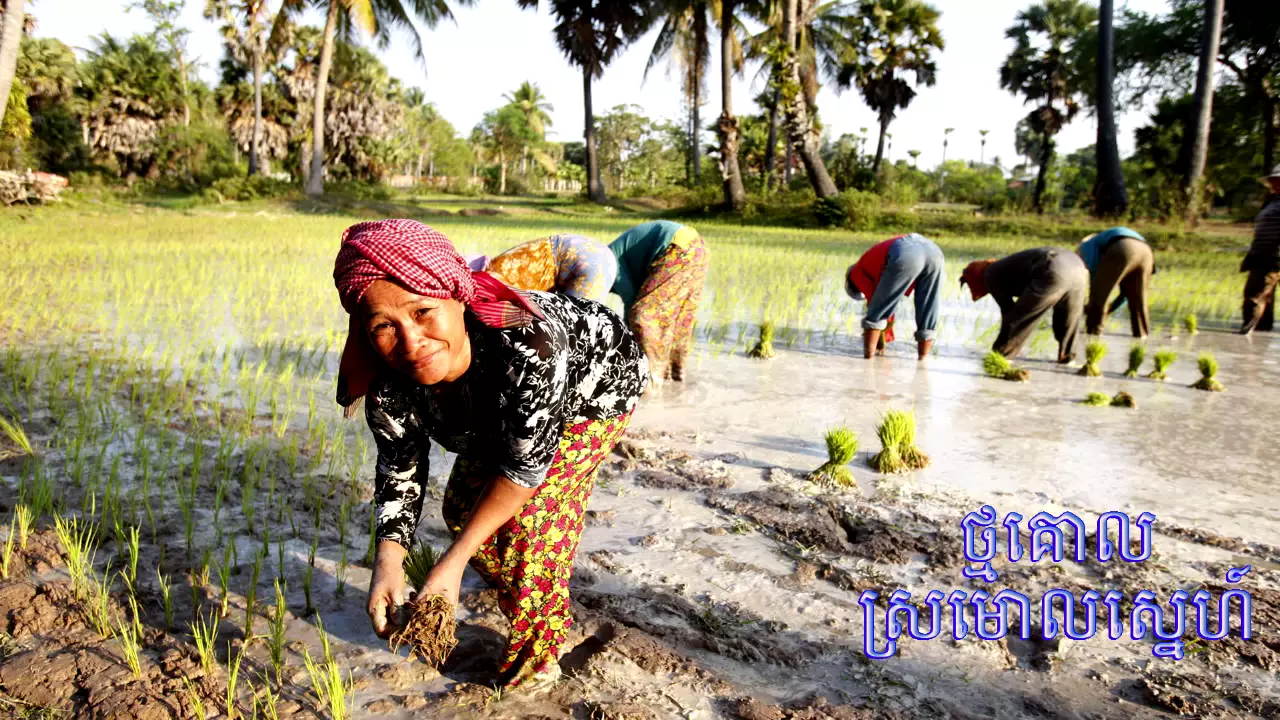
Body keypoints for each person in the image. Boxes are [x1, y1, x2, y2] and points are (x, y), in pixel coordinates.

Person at [332, 219, 648, 689]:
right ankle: (528, 596)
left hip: (594, 391)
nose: (411, 342)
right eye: (384, 326)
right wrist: (388, 563)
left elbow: (523, 470)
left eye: (422, 312)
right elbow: (400, 471)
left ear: (458, 296)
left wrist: (453, 564)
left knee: (531, 529)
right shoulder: (387, 386)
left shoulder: (528, 347)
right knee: (462, 511)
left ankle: (535, 664)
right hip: (500, 413)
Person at [609, 220, 709, 388]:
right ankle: (675, 378)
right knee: (678, 319)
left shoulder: (607, 262)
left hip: (676, 249)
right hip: (698, 248)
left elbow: (631, 304)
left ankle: (650, 381)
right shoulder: (608, 258)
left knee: (643, 315)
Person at [961, 247, 1088, 362]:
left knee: (1018, 320)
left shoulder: (989, 274)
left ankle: (1001, 358)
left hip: (1052, 267)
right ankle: (1067, 358)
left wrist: (1003, 347)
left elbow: (1009, 313)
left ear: (976, 277)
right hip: (1078, 267)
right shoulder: (1003, 266)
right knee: (1068, 319)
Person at [843, 233, 945, 360]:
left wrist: (881, 340)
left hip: (907, 252)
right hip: (934, 251)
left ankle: (868, 359)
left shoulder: (856, 273)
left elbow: (879, 306)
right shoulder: (870, 261)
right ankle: (922, 361)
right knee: (927, 308)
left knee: (876, 314)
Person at [484, 234, 618, 302]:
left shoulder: (493, 280)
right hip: (593, 254)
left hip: (578, 258)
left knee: (572, 323)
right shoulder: (496, 270)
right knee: (580, 322)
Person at [1078, 227, 1153, 337]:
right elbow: (1125, 295)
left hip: (1123, 247)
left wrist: (1092, 304)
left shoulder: (1087, 244)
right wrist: (1111, 308)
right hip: (1146, 252)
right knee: (1138, 300)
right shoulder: (1105, 238)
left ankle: (1093, 334)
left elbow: (1094, 273)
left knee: (1100, 296)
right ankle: (1141, 335)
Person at [1239, 165, 1280, 335]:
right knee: (1263, 294)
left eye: (1277, 180)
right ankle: (1262, 332)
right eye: (1273, 181)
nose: (1274, 183)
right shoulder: (1272, 200)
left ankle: (1247, 332)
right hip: (1260, 253)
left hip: (1274, 255)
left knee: (1256, 294)